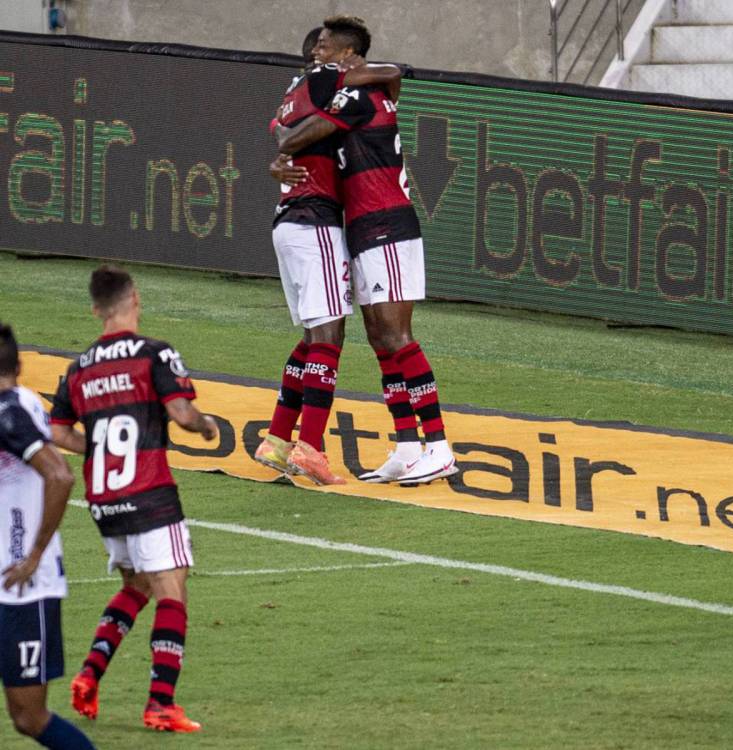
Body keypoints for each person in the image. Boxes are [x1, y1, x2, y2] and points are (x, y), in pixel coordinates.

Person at [276, 15, 457, 486]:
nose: (317, 53)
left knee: (397, 336)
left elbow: (295, 136)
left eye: (325, 46)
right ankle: (406, 444)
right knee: (380, 339)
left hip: (387, 223)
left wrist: (282, 153)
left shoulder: (357, 94)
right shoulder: (354, 88)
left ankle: (438, 445)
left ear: (348, 54)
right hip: (361, 226)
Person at [49, 266, 218, 733]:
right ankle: (161, 702)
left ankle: (89, 674)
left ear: (96, 310)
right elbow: (182, 416)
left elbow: (59, 431)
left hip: (105, 501)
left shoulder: (79, 367)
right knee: (171, 591)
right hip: (150, 494)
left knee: (136, 587)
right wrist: (206, 426)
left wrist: (97, 447)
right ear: (135, 300)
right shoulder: (153, 353)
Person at [255, 22, 408, 486]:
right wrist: (363, 70)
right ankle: (313, 448)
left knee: (310, 338)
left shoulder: (290, 98)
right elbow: (390, 75)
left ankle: (278, 441)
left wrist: (281, 157)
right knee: (328, 339)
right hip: (315, 221)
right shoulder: (326, 80)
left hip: (287, 222)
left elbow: (285, 139)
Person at [0, 324, 96, 749]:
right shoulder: (22, 401)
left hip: (22, 587)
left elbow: (59, 475)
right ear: (19, 365)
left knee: (29, 716)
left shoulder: (9, 413)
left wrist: (34, 554)